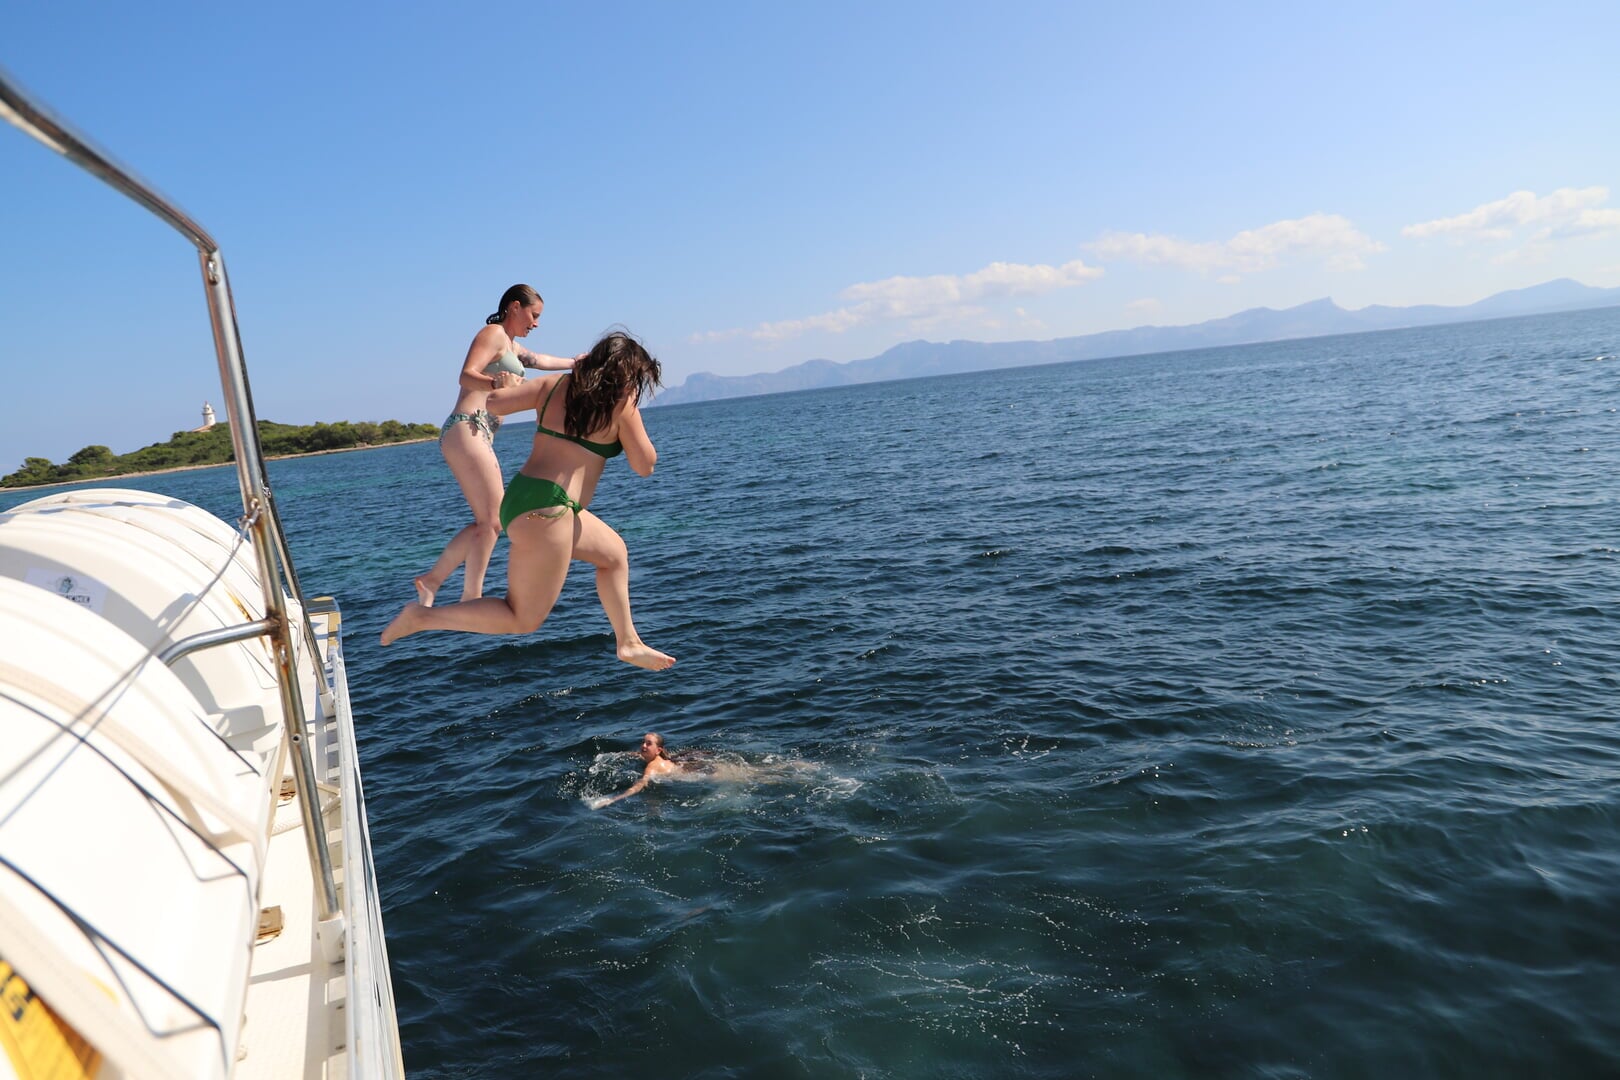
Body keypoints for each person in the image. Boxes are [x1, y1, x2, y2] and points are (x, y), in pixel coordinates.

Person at [380, 330, 675, 671]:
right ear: (627, 374)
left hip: (523, 498)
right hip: (550, 509)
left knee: (613, 554)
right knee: (521, 618)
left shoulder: (553, 385)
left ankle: (628, 642)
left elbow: (496, 404)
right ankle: (421, 618)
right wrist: (628, 417)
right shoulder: (621, 405)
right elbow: (644, 466)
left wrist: (505, 385)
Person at [413, 284, 578, 608]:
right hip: (467, 427)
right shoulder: (492, 333)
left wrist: (576, 362)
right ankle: (470, 596)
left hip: (475, 433)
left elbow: (541, 359)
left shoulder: (512, 348)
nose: (536, 323)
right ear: (514, 307)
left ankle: (432, 581)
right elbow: (465, 376)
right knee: (494, 520)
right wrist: (497, 385)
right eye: (534, 315)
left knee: (487, 521)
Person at [588, 732, 682, 808]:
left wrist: (614, 799)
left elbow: (641, 784)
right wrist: (620, 755)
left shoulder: (652, 766)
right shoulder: (657, 757)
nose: (644, 745)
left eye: (648, 744)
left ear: (658, 750)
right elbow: (638, 754)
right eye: (643, 742)